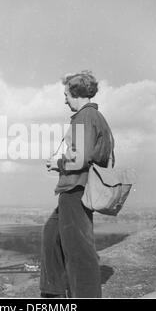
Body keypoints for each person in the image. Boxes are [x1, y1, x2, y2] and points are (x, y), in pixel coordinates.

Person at [40, 70, 114, 298]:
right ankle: (53, 293)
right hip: (75, 187)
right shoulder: (93, 117)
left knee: (78, 249)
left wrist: (58, 163)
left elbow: (81, 158)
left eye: (66, 95)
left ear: (77, 93)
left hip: (76, 188)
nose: (64, 99)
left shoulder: (86, 117)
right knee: (52, 234)